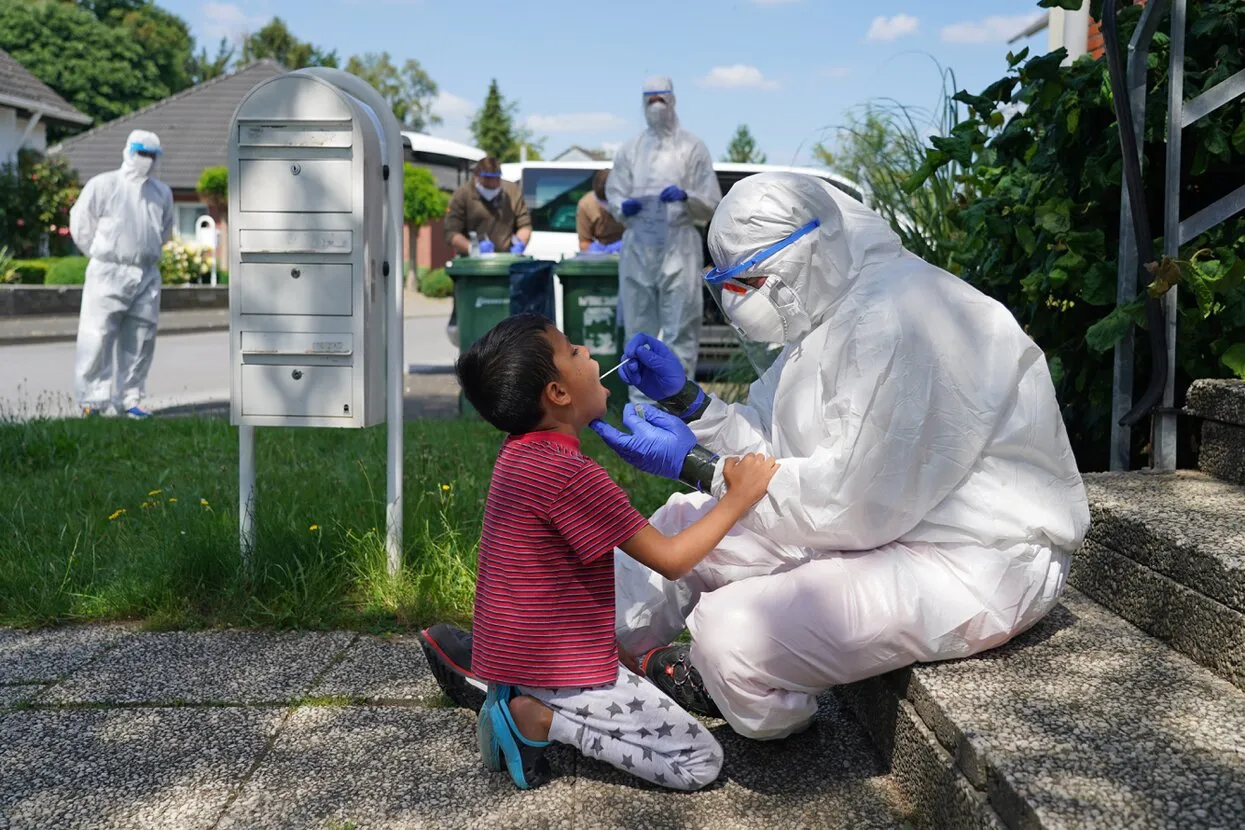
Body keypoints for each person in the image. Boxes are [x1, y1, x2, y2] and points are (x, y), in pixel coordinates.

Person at [422, 172, 1090, 743]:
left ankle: (758, 711)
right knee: (684, 521)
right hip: (880, 526)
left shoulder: (904, 322)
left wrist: (701, 468)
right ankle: (551, 664)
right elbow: (776, 443)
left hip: (971, 559)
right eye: (729, 283)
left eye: (749, 281)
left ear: (809, 254)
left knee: (734, 632)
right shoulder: (832, 310)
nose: (738, 300)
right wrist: (694, 408)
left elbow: (850, 506)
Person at [448, 313, 778, 790]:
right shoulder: (572, 475)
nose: (592, 354)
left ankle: (515, 691)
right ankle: (537, 718)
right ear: (557, 394)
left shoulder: (518, 454)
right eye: (575, 353)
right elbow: (672, 560)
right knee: (700, 763)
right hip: (562, 672)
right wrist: (737, 496)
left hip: (522, 655)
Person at [606, 76, 721, 400]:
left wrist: (687, 196)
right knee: (638, 328)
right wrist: (621, 207)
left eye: (662, 99)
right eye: (650, 100)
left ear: (672, 101)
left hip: (679, 244)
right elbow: (615, 193)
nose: (656, 107)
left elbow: (711, 200)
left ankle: (678, 405)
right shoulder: (630, 150)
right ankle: (642, 407)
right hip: (639, 244)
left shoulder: (692, 147)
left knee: (680, 326)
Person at [69, 129, 174, 418]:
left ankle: (130, 398)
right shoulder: (103, 185)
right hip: (108, 271)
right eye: (142, 153)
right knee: (97, 335)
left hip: (146, 273)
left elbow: (164, 230)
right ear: (128, 151)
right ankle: (92, 401)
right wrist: (101, 253)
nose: (147, 160)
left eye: (152, 156)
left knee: (141, 337)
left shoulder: (161, 193)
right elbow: (81, 223)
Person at [443, 157, 533, 345]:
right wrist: (471, 247)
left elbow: (524, 224)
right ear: (477, 177)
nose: (493, 183)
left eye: (496, 178)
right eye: (488, 179)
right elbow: (451, 233)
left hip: (506, 265)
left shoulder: (511, 192)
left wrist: (520, 245)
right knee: (468, 322)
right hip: (473, 268)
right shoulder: (463, 195)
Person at [576, 169, 624, 254]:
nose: (608, 207)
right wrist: (596, 251)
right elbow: (584, 242)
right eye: (604, 203)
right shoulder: (586, 205)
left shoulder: (633, 201)